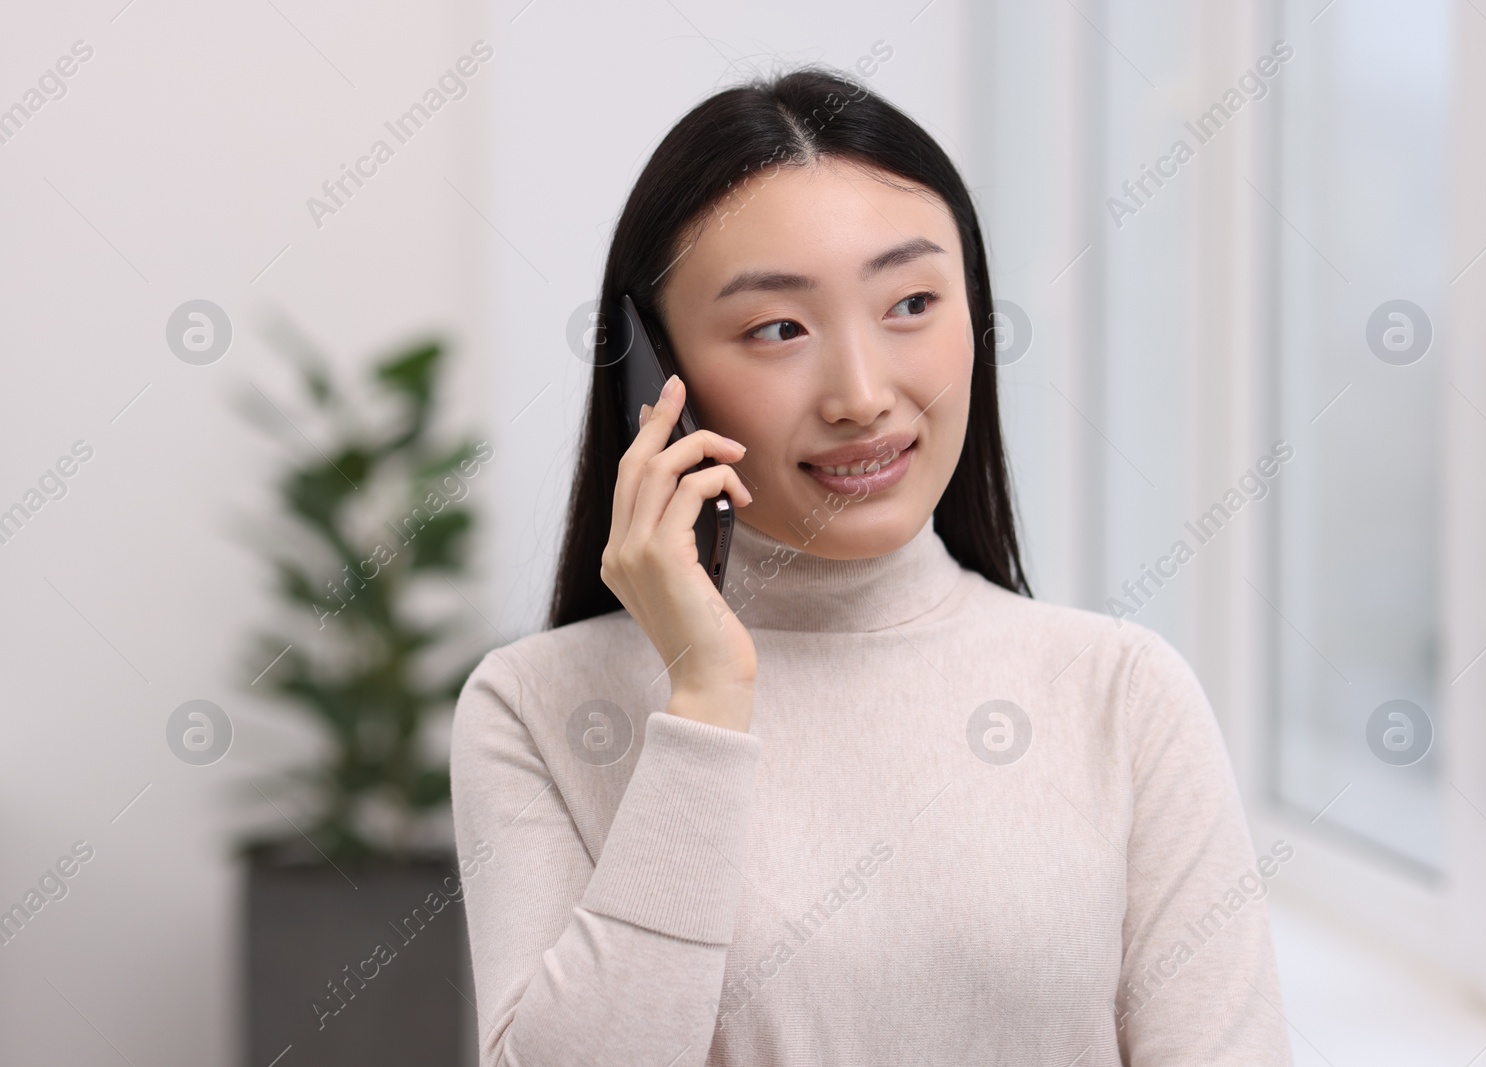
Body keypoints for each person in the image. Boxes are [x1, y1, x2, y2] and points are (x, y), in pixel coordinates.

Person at [450, 65, 1292, 1066]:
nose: (860, 392)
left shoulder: (1120, 693)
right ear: (656, 375)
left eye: (910, 303)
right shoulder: (536, 706)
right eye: (777, 328)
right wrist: (705, 700)